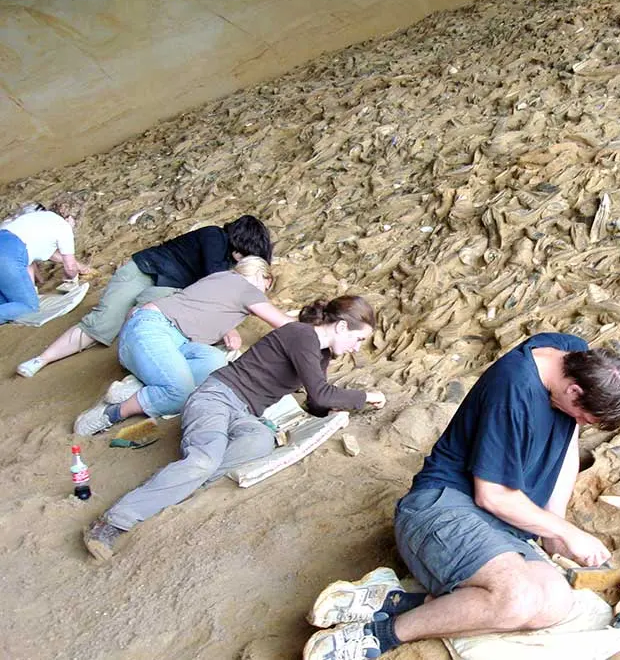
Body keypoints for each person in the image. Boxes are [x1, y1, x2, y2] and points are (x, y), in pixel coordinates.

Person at [302, 333, 620, 660]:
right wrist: (567, 532)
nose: (580, 424)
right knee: (515, 601)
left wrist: (555, 525)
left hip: (503, 527)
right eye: (583, 416)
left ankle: (395, 600)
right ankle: (383, 634)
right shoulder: (515, 388)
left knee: (555, 602)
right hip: (442, 507)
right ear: (574, 389)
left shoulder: (571, 354)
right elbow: (493, 496)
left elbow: (567, 439)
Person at [83, 295, 387, 561]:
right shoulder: (301, 335)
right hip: (215, 397)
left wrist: (335, 409)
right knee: (204, 459)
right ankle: (111, 523)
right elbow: (321, 393)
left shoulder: (319, 354)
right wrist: (365, 397)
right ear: (343, 326)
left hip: (244, 412)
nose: (355, 348)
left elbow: (316, 402)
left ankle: (182, 484)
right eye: (359, 339)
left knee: (259, 441)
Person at [17, 214, 272, 377]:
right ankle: (41, 359)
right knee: (104, 319)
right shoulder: (214, 236)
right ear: (239, 244)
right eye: (246, 253)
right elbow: (213, 285)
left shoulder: (228, 260)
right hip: (143, 269)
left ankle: (137, 366)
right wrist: (227, 327)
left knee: (142, 317)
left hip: (170, 287)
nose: (244, 259)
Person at [73, 255, 293, 436]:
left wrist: (228, 329)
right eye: (266, 287)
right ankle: (111, 414)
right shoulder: (248, 288)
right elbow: (285, 325)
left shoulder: (220, 278)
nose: (263, 293)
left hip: (157, 334)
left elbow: (198, 308)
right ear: (264, 277)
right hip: (153, 331)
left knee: (216, 363)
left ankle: (134, 388)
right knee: (181, 393)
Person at [0, 197, 92, 323]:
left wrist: (81, 267)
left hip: (6, 244)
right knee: (29, 307)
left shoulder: (38, 218)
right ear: (69, 217)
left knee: (7, 299)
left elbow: (43, 256)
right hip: (9, 255)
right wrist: (71, 281)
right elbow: (70, 267)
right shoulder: (63, 227)